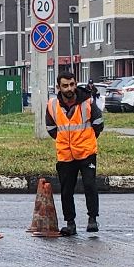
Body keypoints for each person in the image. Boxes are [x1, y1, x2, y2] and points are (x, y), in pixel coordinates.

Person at [46, 72, 105, 235]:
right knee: (66, 189)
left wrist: (88, 139)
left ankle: (92, 219)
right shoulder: (52, 105)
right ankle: (70, 223)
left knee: (89, 185)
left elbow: (98, 123)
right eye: (65, 85)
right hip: (65, 153)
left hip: (86, 151)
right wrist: (63, 140)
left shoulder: (88, 101)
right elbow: (50, 128)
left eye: (72, 84)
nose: (69, 88)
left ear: (76, 83)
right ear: (59, 87)